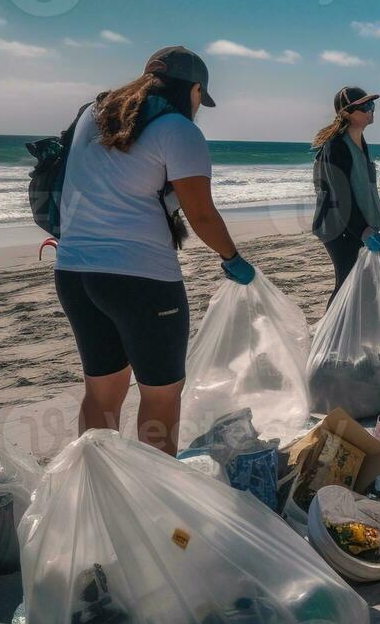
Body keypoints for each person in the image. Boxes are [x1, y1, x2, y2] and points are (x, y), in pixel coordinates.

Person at [54, 46, 253, 455]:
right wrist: (233, 259)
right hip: (140, 279)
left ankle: (96, 490)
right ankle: (157, 503)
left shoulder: (92, 116)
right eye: (201, 98)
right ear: (193, 89)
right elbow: (201, 214)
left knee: (102, 391)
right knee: (161, 396)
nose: (199, 107)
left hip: (74, 272)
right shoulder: (178, 129)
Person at [312, 86, 380, 304]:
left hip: (359, 226)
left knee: (364, 286)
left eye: (371, 104)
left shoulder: (360, 142)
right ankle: (331, 337)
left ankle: (357, 333)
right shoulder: (335, 146)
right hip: (340, 228)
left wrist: (375, 224)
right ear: (346, 113)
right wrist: (362, 230)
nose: (370, 110)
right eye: (364, 106)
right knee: (347, 284)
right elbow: (339, 196)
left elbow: (364, 187)